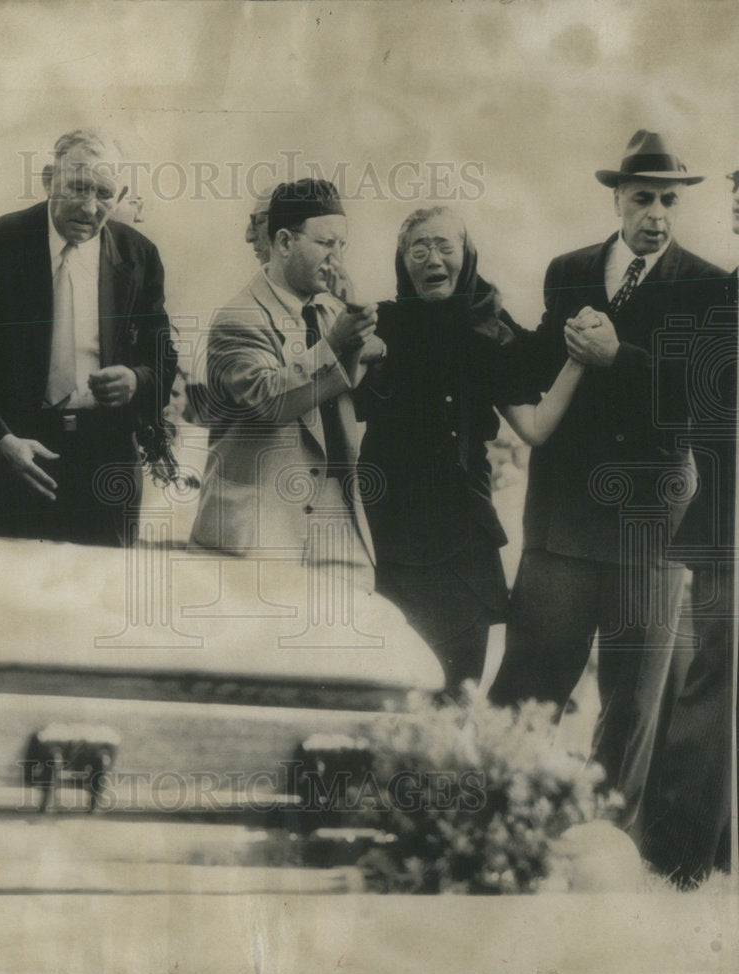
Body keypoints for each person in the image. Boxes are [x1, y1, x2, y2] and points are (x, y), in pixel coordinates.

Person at [488, 131, 733, 836]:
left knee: (629, 708)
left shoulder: (708, 283)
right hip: (561, 523)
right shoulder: (568, 270)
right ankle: (498, 838)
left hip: (649, 527)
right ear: (617, 198)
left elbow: (700, 395)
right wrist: (479, 333)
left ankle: (604, 860)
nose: (656, 213)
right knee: (528, 692)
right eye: (642, 198)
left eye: (669, 200)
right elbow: (536, 360)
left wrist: (615, 355)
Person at [356, 207, 585, 696]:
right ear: (402, 260)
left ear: (467, 256)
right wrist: (361, 356)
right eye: (418, 248)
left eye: (443, 245)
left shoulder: (489, 329)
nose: (431, 257)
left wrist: (579, 363)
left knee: (458, 692)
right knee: (388, 697)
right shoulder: (381, 327)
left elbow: (536, 428)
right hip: (388, 534)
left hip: (463, 534)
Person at [0, 128, 177, 546]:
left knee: (101, 600)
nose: (90, 207)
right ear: (48, 179)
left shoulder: (138, 255)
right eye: (77, 187)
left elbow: (162, 357)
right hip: (13, 459)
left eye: (105, 193)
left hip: (105, 468)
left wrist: (137, 379)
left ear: (121, 193)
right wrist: (0, 439)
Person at [189, 178, 378, 587]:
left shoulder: (330, 311)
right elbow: (270, 400)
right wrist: (338, 343)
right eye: (327, 243)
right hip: (255, 539)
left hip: (336, 533)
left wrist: (358, 325)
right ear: (285, 242)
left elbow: (372, 355)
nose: (337, 258)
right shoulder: (237, 318)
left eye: (343, 246)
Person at [638, 169, 738, 886]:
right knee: (715, 685)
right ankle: (682, 856)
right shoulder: (728, 294)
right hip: (726, 521)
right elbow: (700, 415)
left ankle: (693, 851)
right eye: (738, 206)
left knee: (714, 686)